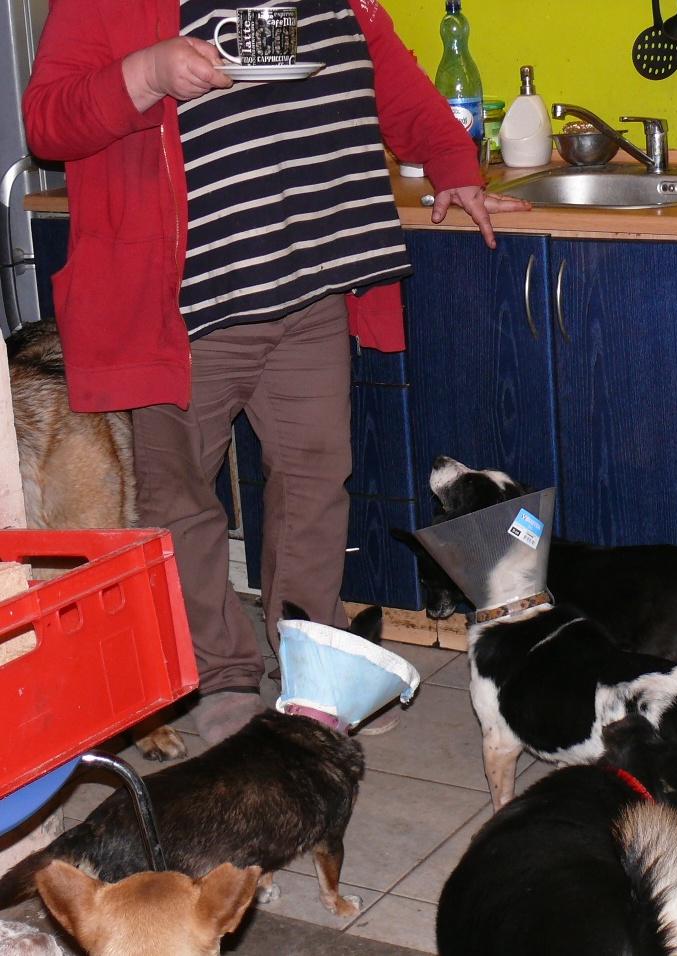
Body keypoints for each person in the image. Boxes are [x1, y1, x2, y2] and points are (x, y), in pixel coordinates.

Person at [23, 0, 529, 744]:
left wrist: (454, 165)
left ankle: (311, 669)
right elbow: (47, 122)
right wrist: (147, 72)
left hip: (309, 288)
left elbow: (393, 81)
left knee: (314, 487)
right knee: (180, 501)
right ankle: (219, 676)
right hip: (184, 310)